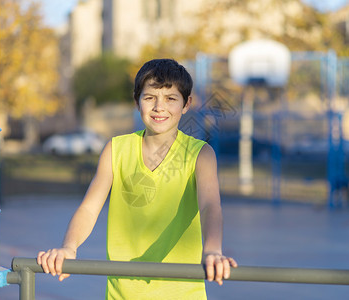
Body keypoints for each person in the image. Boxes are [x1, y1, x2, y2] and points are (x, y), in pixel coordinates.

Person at [37, 58, 237, 299]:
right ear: (136, 101)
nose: (159, 107)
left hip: (183, 293)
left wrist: (213, 250)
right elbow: (89, 209)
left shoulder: (200, 154)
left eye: (171, 98)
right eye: (150, 97)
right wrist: (69, 247)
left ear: (186, 104)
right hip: (123, 293)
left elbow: (210, 207)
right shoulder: (116, 149)